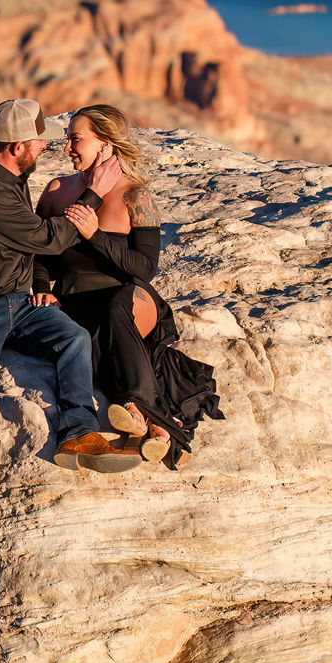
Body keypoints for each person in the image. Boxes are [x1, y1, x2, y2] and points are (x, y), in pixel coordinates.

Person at [0, 98, 145, 541]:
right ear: (16, 147)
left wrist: (38, 283)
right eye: (38, 141)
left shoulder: (13, 175)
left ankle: (78, 433)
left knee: (74, 338)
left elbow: (27, 248)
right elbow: (48, 238)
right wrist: (92, 193)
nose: (47, 148)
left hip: (16, 301)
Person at [36, 104, 221, 469]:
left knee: (115, 304)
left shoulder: (136, 195)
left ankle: (136, 406)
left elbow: (145, 268)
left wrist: (95, 236)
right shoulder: (58, 190)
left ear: (105, 144)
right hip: (78, 300)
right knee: (89, 331)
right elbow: (37, 254)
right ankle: (156, 429)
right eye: (67, 138)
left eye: (76, 139)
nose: (68, 146)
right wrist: (42, 285)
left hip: (133, 300)